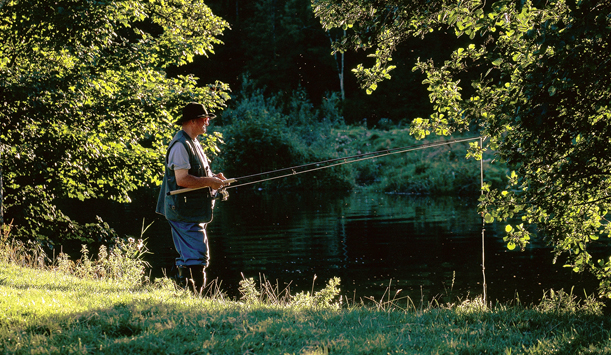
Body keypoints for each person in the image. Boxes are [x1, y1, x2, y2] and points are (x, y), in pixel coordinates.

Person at [156, 102, 228, 294]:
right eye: (205, 119)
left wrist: (215, 179)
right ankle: (193, 297)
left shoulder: (193, 141)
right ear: (194, 121)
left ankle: (189, 295)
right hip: (182, 210)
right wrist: (209, 182)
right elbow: (182, 179)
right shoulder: (181, 145)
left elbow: (199, 173)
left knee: (194, 254)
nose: (207, 123)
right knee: (196, 255)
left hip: (190, 211)